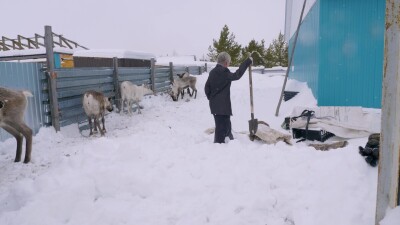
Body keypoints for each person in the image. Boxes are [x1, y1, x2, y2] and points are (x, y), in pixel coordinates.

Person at [204, 52, 252, 143]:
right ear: (226, 62)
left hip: (215, 105)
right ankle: (219, 145)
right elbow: (237, 75)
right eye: (229, 63)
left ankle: (229, 140)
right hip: (223, 105)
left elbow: (206, 88)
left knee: (225, 124)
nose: (229, 64)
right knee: (221, 127)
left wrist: (212, 98)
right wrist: (247, 62)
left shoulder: (212, 72)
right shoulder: (224, 72)